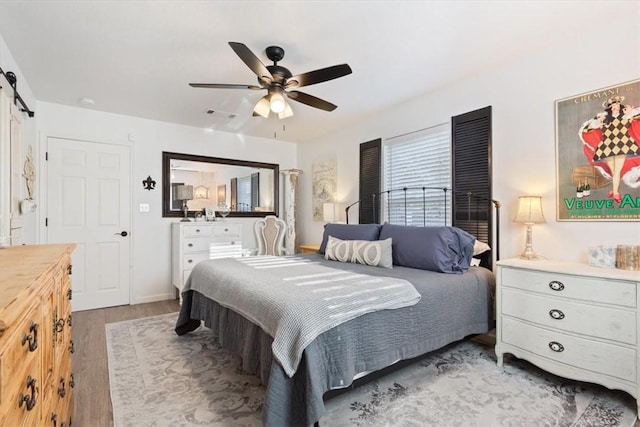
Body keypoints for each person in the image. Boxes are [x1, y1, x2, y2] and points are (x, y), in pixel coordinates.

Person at [579, 96, 640, 203]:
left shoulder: (626, 116)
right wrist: (598, 120)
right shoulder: (604, 119)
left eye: (616, 105)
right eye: (612, 106)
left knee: (617, 171)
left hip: (622, 145)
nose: (614, 107)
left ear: (620, 106)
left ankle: (615, 193)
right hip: (607, 146)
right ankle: (614, 190)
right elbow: (587, 129)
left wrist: (632, 111)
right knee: (614, 171)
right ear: (609, 108)